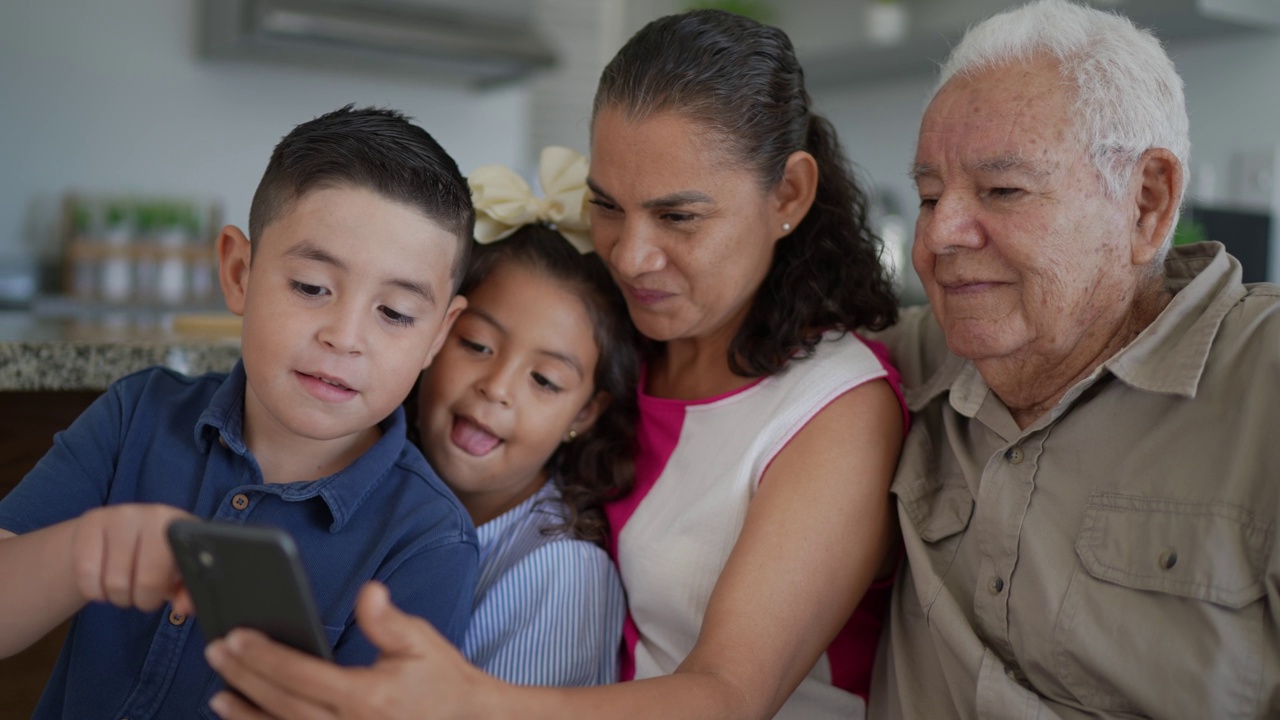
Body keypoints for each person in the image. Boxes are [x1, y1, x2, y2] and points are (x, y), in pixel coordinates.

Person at [202, 9, 905, 720]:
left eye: (679, 218)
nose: (629, 256)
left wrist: (464, 702)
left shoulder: (838, 410)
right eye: (606, 205)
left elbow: (729, 696)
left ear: (787, 195)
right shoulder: (619, 343)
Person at [865, 1, 1280, 717]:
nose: (939, 236)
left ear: (1146, 203)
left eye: (1003, 190)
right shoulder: (909, 358)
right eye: (929, 195)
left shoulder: (1264, 380)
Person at [0, 105, 480, 718]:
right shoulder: (135, 416)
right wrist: (81, 551)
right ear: (238, 272)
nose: (345, 336)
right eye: (311, 287)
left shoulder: (429, 540)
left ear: (438, 335)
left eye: (396, 313)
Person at [407, 146, 634, 685]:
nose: (498, 388)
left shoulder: (560, 572)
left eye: (545, 381)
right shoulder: (376, 487)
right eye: (477, 345)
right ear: (434, 335)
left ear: (585, 412)